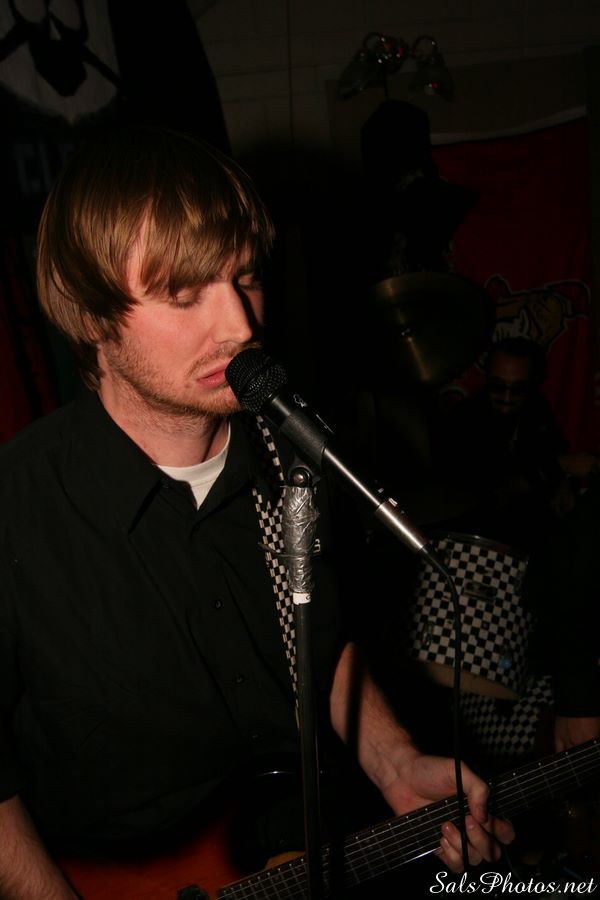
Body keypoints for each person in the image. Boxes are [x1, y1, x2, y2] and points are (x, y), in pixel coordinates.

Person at [0, 127, 513, 899]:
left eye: (246, 278)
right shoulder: (17, 511)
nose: (240, 327)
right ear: (89, 314)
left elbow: (322, 642)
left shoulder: (296, 458)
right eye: (184, 295)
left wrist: (394, 760)